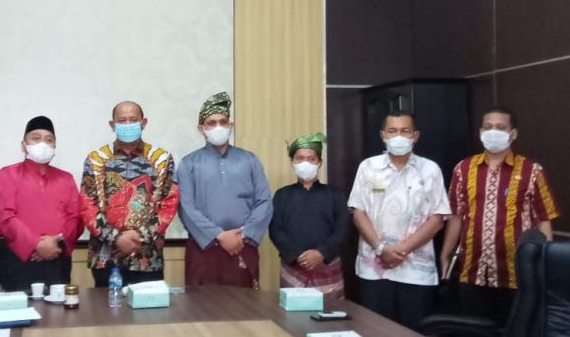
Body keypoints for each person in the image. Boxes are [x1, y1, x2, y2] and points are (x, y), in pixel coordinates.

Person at [440, 107, 559, 326]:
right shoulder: (463, 169)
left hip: (516, 274)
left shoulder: (532, 171)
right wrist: (445, 254)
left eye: (500, 127)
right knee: (473, 329)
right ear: (480, 132)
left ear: (513, 133)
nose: (493, 131)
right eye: (488, 127)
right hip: (472, 271)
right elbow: (456, 216)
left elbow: (543, 220)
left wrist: (546, 264)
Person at [347, 111, 450, 329]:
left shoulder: (430, 170)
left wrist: (401, 249)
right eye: (392, 131)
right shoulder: (368, 167)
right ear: (383, 135)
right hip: (374, 270)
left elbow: (437, 219)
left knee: (413, 331)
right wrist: (380, 248)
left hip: (417, 272)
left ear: (415, 135)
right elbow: (358, 212)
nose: (399, 136)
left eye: (405, 131)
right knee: (375, 330)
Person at [79, 101, 180, 287]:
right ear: (112, 125)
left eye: (133, 120)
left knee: (148, 306)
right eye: (122, 120)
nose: (127, 124)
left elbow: (168, 205)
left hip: (147, 259)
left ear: (143, 123)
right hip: (105, 259)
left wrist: (139, 237)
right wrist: (116, 238)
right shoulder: (95, 159)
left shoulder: (162, 159)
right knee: (106, 306)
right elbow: (88, 206)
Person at [177, 92, 272, 289]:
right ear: (201, 129)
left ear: (231, 125)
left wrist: (243, 236)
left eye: (223, 121)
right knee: (202, 306)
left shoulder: (250, 160)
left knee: (244, 305)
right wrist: (219, 236)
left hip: (242, 246)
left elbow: (264, 202)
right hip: (204, 250)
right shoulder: (188, 164)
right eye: (211, 123)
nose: (218, 127)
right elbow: (186, 208)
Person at [0, 116, 82, 291]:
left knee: (57, 308)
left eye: (49, 140)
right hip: (17, 261)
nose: (43, 144)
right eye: (36, 138)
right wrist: (35, 244)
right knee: (17, 307)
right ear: (23, 145)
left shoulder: (66, 178)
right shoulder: (7, 175)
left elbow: (75, 217)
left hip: (57, 258)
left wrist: (56, 243)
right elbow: (5, 217)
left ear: (55, 146)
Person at [269, 132, 348, 297]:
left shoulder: (335, 194)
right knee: (292, 313)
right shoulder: (282, 195)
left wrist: (321, 254)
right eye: (300, 158)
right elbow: (276, 230)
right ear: (292, 162)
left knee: (330, 312)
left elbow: (342, 229)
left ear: (320, 162)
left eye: (311, 159)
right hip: (293, 267)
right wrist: (297, 255)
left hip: (327, 266)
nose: (305, 163)